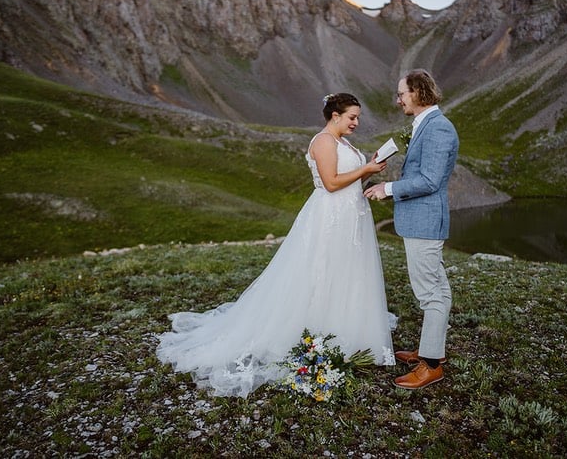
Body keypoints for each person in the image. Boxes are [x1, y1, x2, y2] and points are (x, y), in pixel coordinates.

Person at [156, 93, 396, 398]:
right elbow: (331, 182)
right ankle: (316, 326)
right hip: (329, 216)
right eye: (352, 117)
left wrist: (370, 165)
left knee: (347, 270)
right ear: (334, 115)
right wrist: (365, 170)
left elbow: (347, 182)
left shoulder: (345, 142)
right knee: (321, 269)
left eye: (358, 117)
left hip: (350, 215)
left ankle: (344, 325)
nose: (356, 123)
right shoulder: (323, 141)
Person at [364, 69, 458, 390]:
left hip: (424, 222)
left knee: (429, 293)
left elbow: (430, 180)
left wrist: (387, 188)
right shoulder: (426, 125)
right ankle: (434, 351)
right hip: (422, 221)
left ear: (418, 92)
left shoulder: (438, 129)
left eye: (402, 93)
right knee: (439, 289)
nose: (398, 99)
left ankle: (430, 367)